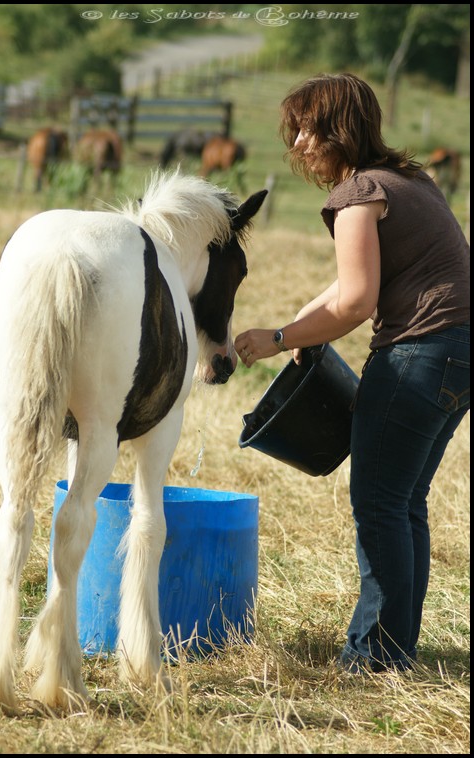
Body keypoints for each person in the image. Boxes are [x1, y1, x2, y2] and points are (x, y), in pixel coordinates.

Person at [234, 73, 470, 673]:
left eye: (309, 129)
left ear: (341, 128)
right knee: (404, 500)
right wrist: (299, 324)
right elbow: (348, 285)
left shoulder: (358, 194)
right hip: (460, 352)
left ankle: (373, 658)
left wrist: (279, 337)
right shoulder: (411, 181)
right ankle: (396, 652)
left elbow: (356, 303)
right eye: (295, 132)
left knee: (381, 503)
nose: (299, 144)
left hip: (420, 351)